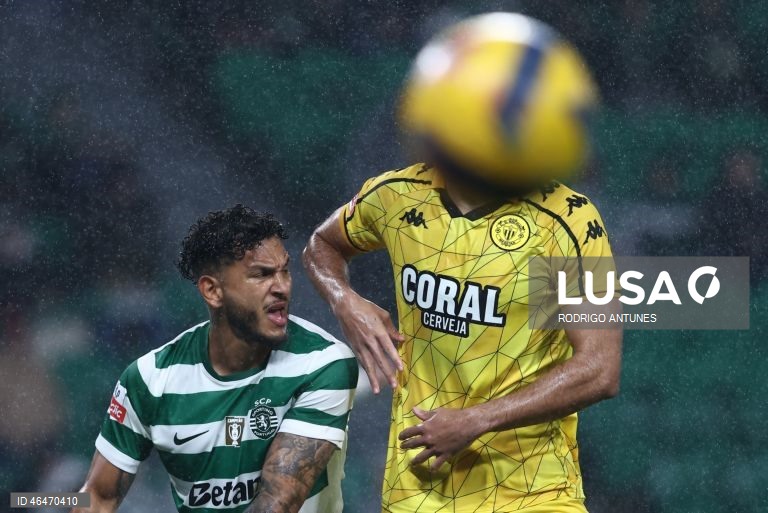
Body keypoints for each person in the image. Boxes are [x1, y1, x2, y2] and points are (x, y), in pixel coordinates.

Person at [303, 162, 622, 512]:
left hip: (534, 492)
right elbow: (322, 244)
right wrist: (344, 301)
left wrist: (478, 419)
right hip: (416, 494)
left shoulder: (568, 217)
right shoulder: (397, 193)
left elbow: (599, 369)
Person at [74, 205, 358, 513]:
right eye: (262, 274)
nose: (282, 287)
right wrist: (38, 499)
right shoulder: (149, 379)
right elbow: (96, 497)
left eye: (285, 271)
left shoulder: (323, 363)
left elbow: (277, 503)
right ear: (212, 290)